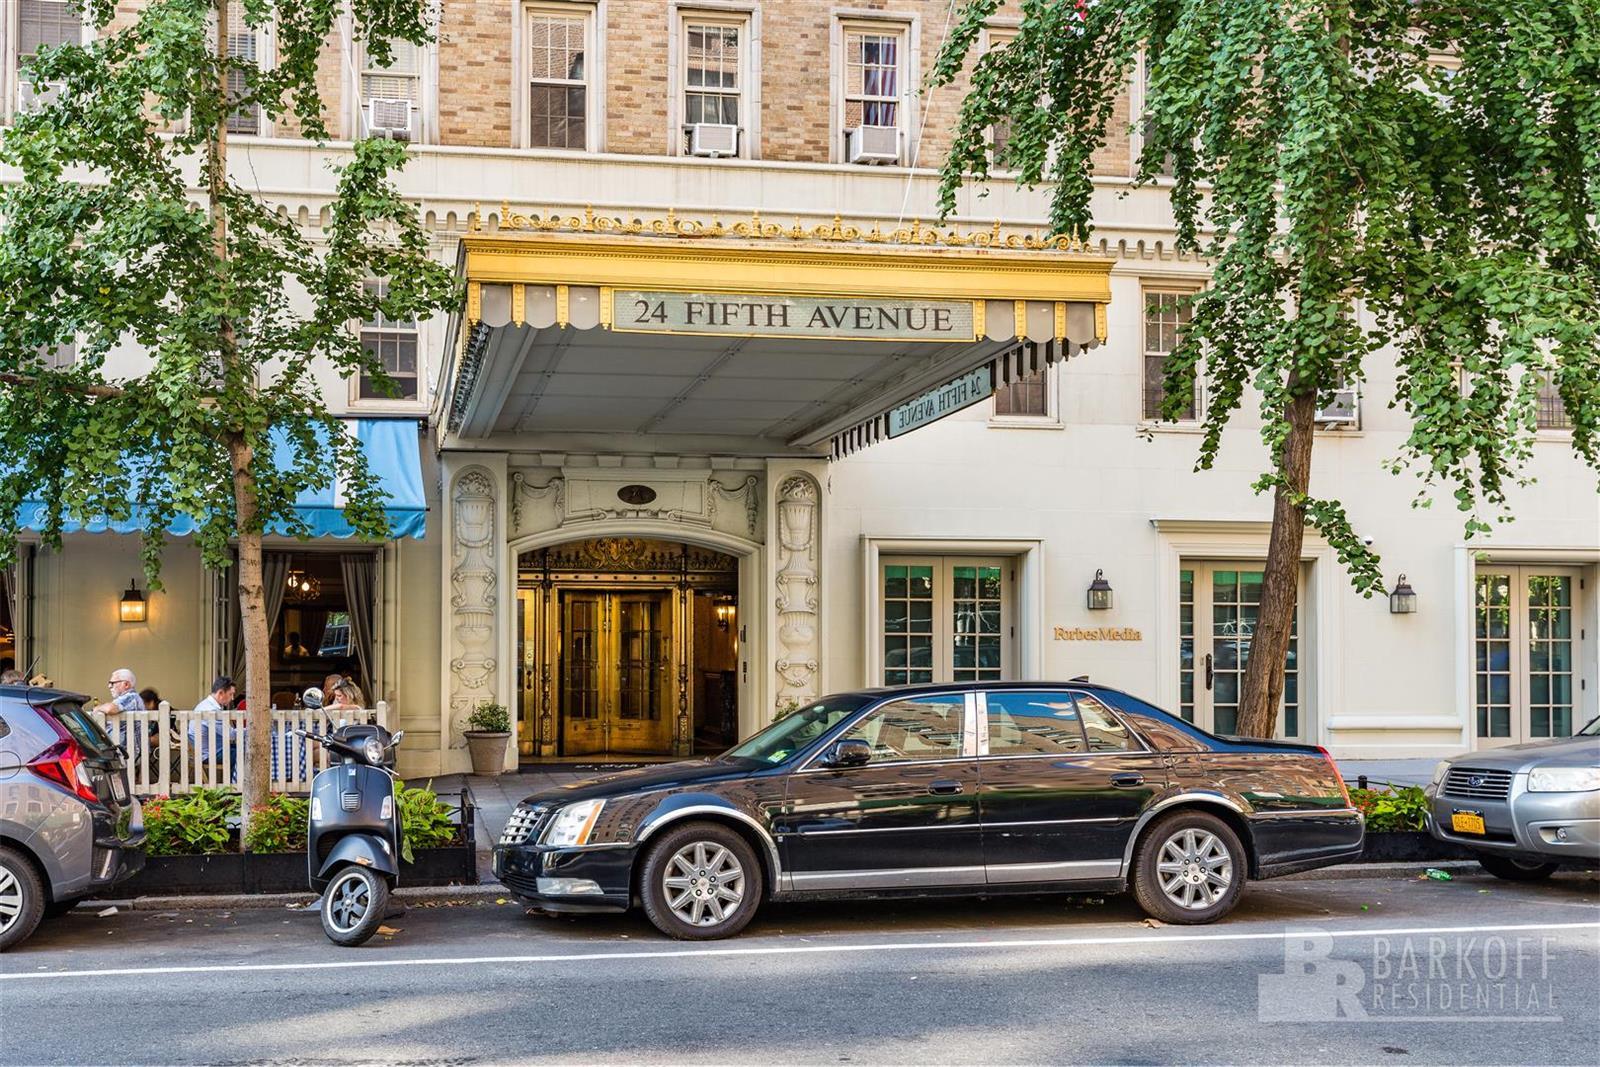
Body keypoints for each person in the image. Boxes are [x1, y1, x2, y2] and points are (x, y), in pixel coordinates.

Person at [190, 676, 236, 766]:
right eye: (230, 694)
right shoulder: (212, 710)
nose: (232, 698)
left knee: (241, 748)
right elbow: (231, 735)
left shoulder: (204, 705)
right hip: (210, 754)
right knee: (242, 753)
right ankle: (235, 776)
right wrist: (249, 731)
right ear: (221, 693)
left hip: (206, 751)